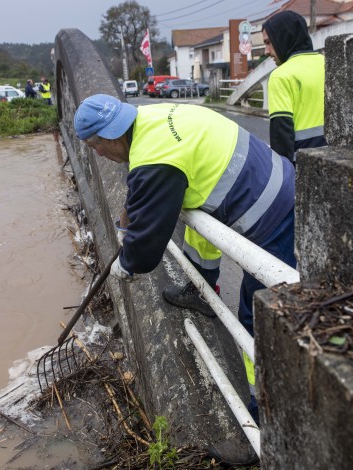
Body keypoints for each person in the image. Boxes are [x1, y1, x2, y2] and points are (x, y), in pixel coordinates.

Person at [74, 94, 297, 422]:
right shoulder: (148, 120)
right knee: (196, 229)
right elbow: (139, 188)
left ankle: (264, 422)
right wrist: (127, 226)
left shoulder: (156, 159)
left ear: (104, 139)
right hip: (277, 178)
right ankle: (200, 290)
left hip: (272, 214)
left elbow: (148, 247)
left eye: (96, 147)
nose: (100, 155)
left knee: (259, 321)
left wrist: (128, 261)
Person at [262, 11, 327, 164]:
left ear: (283, 37)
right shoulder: (329, 63)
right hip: (336, 161)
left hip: (303, 165)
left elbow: (281, 136)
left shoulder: (281, 76)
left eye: (268, 42)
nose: (266, 51)